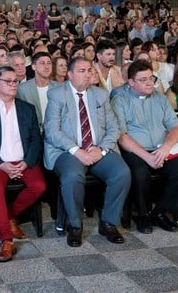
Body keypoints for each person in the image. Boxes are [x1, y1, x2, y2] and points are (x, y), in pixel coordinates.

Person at [44, 56, 131, 247]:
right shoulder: (57, 94)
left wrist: (101, 149)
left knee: (121, 172)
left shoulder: (100, 94)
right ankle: (75, 226)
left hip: (97, 148)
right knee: (72, 175)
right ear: (70, 75)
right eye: (81, 71)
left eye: (89, 70)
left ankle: (108, 222)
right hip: (67, 150)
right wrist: (77, 151)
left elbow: (114, 128)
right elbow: (52, 131)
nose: (87, 75)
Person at [0, 66, 46, 262]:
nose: (13, 85)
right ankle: (7, 240)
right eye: (8, 81)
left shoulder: (26, 108)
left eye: (15, 81)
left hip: (22, 160)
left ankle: (8, 215)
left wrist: (26, 162)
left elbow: (36, 140)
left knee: (39, 186)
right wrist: (0, 163)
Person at [112, 59, 178, 234]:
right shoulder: (120, 99)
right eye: (143, 79)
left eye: (151, 78)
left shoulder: (160, 98)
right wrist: (147, 157)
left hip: (161, 148)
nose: (150, 83)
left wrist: (165, 148)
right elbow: (122, 136)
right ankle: (142, 214)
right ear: (131, 82)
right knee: (140, 173)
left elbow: (175, 127)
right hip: (134, 150)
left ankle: (160, 212)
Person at [17, 51, 58, 126]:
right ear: (33, 66)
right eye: (42, 63)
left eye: (49, 63)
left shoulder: (59, 88)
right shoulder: (23, 89)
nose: (46, 66)